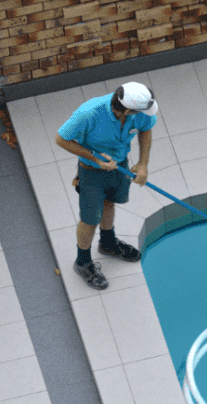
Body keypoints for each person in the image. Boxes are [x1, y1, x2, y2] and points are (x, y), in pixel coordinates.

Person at [55, 82, 158, 290]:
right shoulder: (88, 113)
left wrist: (143, 163)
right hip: (91, 171)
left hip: (119, 165)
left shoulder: (140, 113)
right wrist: (94, 157)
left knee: (110, 202)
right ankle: (83, 261)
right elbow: (61, 139)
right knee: (90, 218)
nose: (145, 114)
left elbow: (146, 130)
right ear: (127, 109)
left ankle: (108, 243)